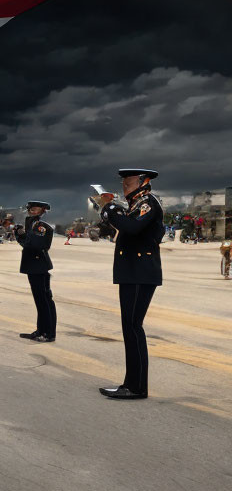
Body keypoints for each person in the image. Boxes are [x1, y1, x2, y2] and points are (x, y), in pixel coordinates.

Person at [93, 168, 163, 400]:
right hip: (133, 272)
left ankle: (136, 387)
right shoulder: (134, 205)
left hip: (139, 273)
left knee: (133, 327)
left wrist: (110, 207)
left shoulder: (147, 203)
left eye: (129, 181)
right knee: (130, 327)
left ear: (144, 181)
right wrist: (110, 210)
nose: (124, 185)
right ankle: (131, 383)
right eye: (123, 182)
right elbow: (124, 225)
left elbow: (131, 227)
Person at [15, 201, 56, 342]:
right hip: (34, 265)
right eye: (31, 209)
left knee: (44, 301)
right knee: (40, 301)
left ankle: (47, 333)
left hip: (39, 265)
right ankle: (41, 330)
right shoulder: (32, 225)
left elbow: (37, 245)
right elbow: (26, 243)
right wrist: (19, 235)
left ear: (42, 211)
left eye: (36, 209)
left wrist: (25, 234)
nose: (32, 211)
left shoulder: (41, 227)